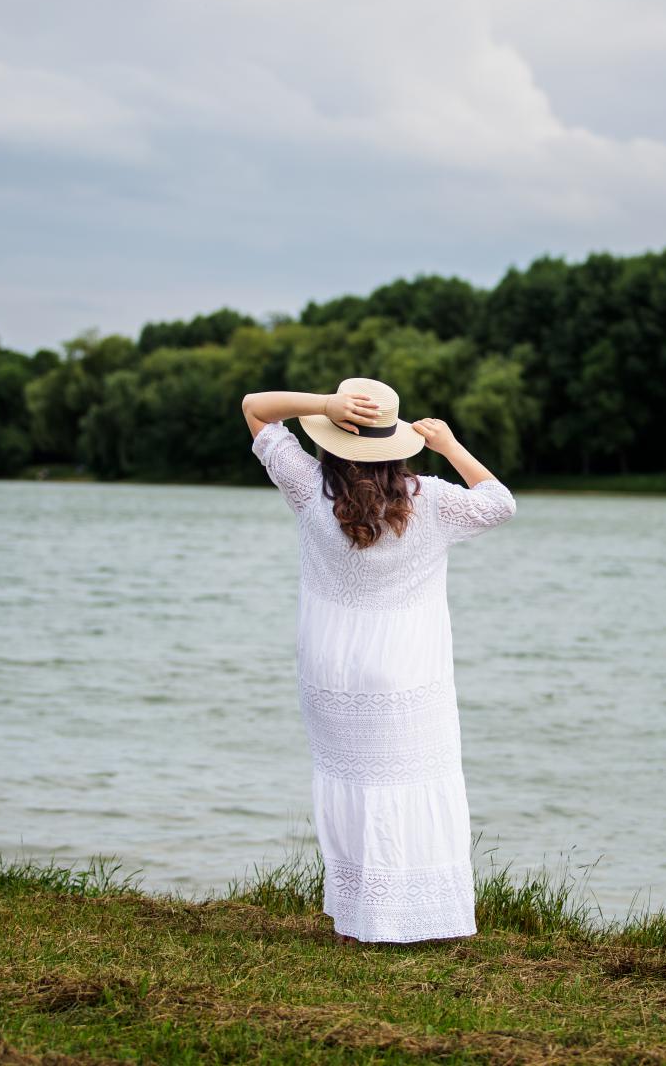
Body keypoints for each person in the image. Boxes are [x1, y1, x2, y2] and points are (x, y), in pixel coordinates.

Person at [241, 376, 516, 944]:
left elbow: (254, 409)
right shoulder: (431, 500)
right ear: (397, 444)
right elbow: (500, 503)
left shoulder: (308, 487)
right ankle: (416, 919)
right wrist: (449, 446)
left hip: (330, 670)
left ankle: (357, 920)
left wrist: (322, 405)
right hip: (406, 670)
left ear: (334, 438)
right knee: (412, 784)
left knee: (352, 785)